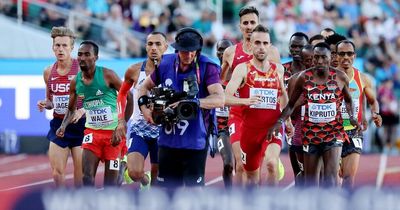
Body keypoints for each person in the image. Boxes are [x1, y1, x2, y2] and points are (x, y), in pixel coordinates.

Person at [138, 27, 224, 188]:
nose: (189, 55)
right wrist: (145, 110)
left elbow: (220, 99)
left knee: (194, 193)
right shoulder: (166, 63)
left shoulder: (207, 67)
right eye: (185, 51)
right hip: (168, 141)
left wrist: (194, 103)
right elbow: (143, 87)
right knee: (166, 193)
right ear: (177, 50)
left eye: (194, 51)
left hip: (195, 141)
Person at [268, 42, 360, 187]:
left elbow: (348, 101)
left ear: (331, 58)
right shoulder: (303, 78)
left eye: (324, 57)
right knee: (311, 183)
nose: (320, 61)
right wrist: (279, 122)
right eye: (316, 57)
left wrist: (352, 119)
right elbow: (291, 105)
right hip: (311, 134)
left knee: (330, 179)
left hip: (333, 133)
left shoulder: (340, 77)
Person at [56, 40, 133, 186]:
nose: (82, 58)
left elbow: (129, 96)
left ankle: (122, 167)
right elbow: (71, 108)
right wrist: (63, 125)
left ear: (95, 57)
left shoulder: (107, 75)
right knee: (87, 178)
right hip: (92, 133)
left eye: (87, 54)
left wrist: (122, 124)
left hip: (113, 135)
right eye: (79, 54)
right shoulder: (75, 82)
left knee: (111, 184)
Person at [219, 6, 281, 186]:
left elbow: (278, 83)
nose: (249, 26)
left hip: (264, 114)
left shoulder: (272, 52)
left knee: (267, 165)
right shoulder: (231, 53)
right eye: (245, 23)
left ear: (258, 24)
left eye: (252, 22)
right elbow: (223, 82)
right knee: (240, 166)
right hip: (239, 114)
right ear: (240, 26)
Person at [225, 25, 292, 187]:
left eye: (265, 43)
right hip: (250, 131)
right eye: (257, 43)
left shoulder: (279, 70)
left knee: (271, 164)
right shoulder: (242, 69)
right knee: (252, 178)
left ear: (270, 45)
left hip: (272, 128)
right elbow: (225, 97)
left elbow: (283, 95)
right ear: (251, 45)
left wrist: (287, 121)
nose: (261, 47)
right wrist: (245, 101)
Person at [115, 32, 168, 189]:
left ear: (165, 47)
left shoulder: (173, 70)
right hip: (140, 128)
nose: (153, 48)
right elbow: (122, 94)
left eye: (158, 44)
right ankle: (145, 180)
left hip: (163, 130)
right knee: (134, 173)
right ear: (145, 47)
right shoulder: (134, 70)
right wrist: (121, 120)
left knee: (159, 177)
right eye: (150, 44)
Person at [37, 26, 85, 187]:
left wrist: (81, 110)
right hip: (59, 125)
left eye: (65, 45)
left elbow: (96, 97)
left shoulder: (81, 69)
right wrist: (46, 103)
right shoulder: (48, 71)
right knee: (57, 174)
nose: (60, 49)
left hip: (81, 126)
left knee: (81, 177)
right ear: (52, 48)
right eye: (57, 45)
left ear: (72, 48)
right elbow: (50, 100)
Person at [336, 40, 382, 189]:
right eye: (342, 54)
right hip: (331, 132)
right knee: (333, 179)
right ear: (336, 56)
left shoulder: (362, 78)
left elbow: (373, 101)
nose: (346, 57)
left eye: (349, 54)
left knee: (349, 178)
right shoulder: (329, 77)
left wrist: (375, 114)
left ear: (354, 56)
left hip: (354, 132)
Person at [282, 32, 309, 186]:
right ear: (289, 48)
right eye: (294, 46)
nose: (297, 49)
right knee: (299, 173)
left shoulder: (313, 70)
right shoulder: (282, 70)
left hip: (312, 125)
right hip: (291, 125)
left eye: (301, 46)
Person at [215, 39, 234, 188]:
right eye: (220, 49)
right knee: (228, 164)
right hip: (223, 129)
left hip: (242, 126)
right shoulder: (212, 73)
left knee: (247, 167)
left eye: (226, 49)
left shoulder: (240, 73)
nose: (223, 53)